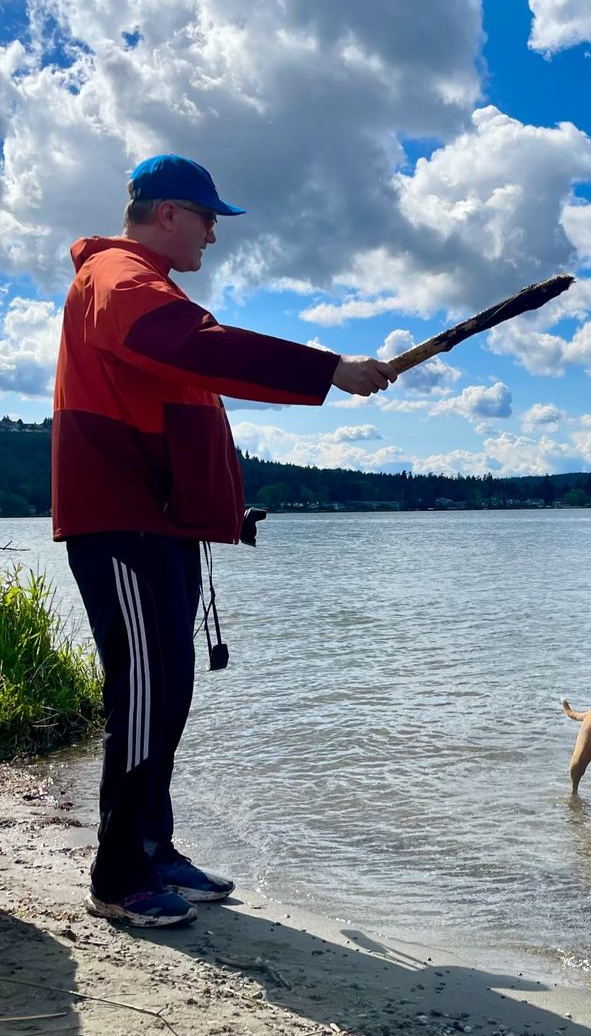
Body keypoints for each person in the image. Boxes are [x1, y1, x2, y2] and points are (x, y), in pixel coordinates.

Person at [52, 154, 397, 928]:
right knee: (144, 696)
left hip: (160, 526)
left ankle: (152, 847)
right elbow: (197, 347)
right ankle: (117, 878)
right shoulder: (119, 275)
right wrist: (328, 368)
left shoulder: (153, 288)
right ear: (169, 211)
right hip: (124, 526)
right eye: (209, 217)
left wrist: (216, 514)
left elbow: (178, 413)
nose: (215, 233)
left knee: (167, 693)